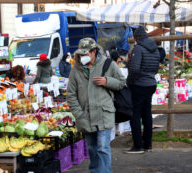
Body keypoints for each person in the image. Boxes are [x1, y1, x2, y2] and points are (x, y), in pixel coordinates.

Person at [67, 38, 125, 173]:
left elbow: (122, 83)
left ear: (94, 52)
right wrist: (79, 114)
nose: (82, 57)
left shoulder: (108, 64)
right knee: (92, 148)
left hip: (104, 113)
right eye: (80, 55)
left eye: (85, 54)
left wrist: (107, 81)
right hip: (85, 116)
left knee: (103, 147)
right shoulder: (76, 70)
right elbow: (71, 95)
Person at [126, 26, 160, 154]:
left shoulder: (138, 49)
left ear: (137, 38)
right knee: (147, 115)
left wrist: (129, 82)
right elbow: (156, 69)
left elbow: (134, 69)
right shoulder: (155, 49)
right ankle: (148, 145)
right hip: (151, 84)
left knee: (134, 115)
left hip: (139, 85)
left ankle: (138, 146)